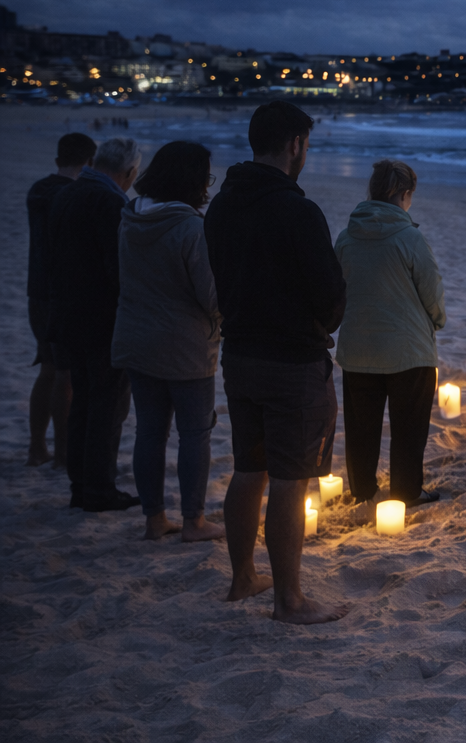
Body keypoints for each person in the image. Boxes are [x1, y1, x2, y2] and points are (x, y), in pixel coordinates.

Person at [205, 101, 348, 624]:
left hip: (240, 354)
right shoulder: (296, 210)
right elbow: (330, 293)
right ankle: (289, 600)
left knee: (249, 469)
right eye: (306, 145)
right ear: (295, 145)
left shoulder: (222, 206)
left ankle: (243, 576)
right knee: (291, 479)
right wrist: (326, 319)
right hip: (291, 360)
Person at [113, 140, 225, 543]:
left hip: (136, 338)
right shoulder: (190, 227)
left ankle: (154, 518)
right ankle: (193, 520)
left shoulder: (130, 217)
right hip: (184, 346)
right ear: (194, 181)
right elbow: (211, 297)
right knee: (194, 433)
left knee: (149, 431)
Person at [334, 160, 447, 509]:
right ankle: (406, 491)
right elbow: (432, 289)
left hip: (357, 349)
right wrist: (437, 320)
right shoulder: (409, 236)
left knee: (361, 429)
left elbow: (336, 288)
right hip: (407, 351)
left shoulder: (346, 237)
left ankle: (364, 491)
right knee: (409, 429)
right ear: (403, 194)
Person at [45, 136, 141, 511]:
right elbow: (117, 268)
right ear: (130, 171)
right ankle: (98, 488)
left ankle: (80, 484)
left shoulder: (68, 193)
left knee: (84, 401)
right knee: (107, 406)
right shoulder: (109, 201)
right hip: (101, 320)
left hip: (69, 313)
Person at [26, 132, 95, 467]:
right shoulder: (75, 195)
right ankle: (64, 454)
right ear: (91, 162)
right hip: (63, 293)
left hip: (36, 291)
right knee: (65, 375)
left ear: (57, 160)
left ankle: (37, 447)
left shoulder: (38, 190)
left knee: (48, 369)